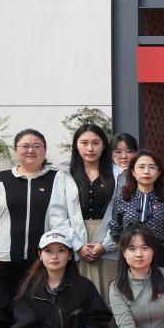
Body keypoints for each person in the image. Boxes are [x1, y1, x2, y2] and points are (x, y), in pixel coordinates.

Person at [0, 128, 84, 300]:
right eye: (25, 146)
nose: (31, 150)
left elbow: (72, 212)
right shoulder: (0, 179)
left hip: (44, 259)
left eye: (37, 146)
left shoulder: (58, 178)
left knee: (42, 305)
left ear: (45, 150)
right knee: (5, 306)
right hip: (5, 260)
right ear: (16, 149)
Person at [68, 124, 118, 308]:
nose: (90, 148)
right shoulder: (65, 175)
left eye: (95, 143)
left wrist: (105, 245)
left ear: (104, 145)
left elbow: (123, 213)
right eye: (84, 143)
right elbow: (58, 214)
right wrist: (78, 245)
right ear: (76, 145)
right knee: (78, 297)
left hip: (110, 239)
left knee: (110, 296)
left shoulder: (119, 175)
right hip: (75, 239)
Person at [108, 151, 164, 268]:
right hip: (130, 256)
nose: (146, 171)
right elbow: (115, 228)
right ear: (133, 172)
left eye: (151, 167)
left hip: (158, 256)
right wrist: (126, 249)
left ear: (158, 172)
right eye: (141, 167)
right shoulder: (122, 198)